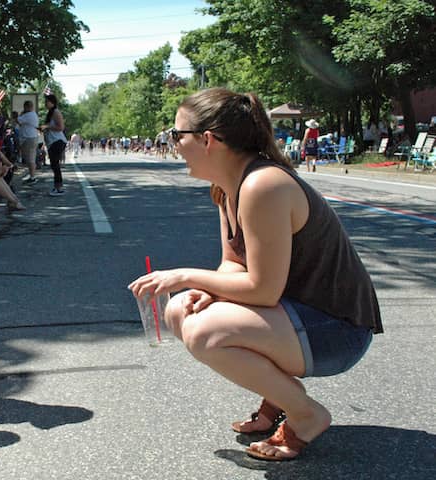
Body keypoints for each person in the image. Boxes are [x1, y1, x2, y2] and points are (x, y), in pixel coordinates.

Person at [129, 88, 382, 461]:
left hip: (338, 331)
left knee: (206, 332)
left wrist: (186, 275)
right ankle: (280, 394)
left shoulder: (264, 185)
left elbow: (263, 290)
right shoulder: (227, 187)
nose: (173, 144)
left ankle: (306, 415)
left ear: (207, 139)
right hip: (299, 318)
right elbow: (233, 265)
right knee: (182, 308)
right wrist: (209, 291)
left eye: (176, 134)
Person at [41, 94, 67, 196]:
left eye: (47, 101)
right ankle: (57, 187)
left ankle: (59, 188)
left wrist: (47, 127)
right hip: (52, 142)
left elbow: (61, 127)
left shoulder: (56, 112)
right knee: (53, 165)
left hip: (57, 141)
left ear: (52, 102)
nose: (45, 104)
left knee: (55, 165)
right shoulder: (50, 113)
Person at [18, 100, 40, 184]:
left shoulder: (28, 115)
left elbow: (18, 120)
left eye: (25, 107)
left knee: (30, 158)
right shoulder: (33, 114)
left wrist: (21, 113)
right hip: (32, 138)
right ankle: (31, 175)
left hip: (29, 138)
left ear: (27, 107)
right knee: (30, 158)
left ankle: (32, 177)